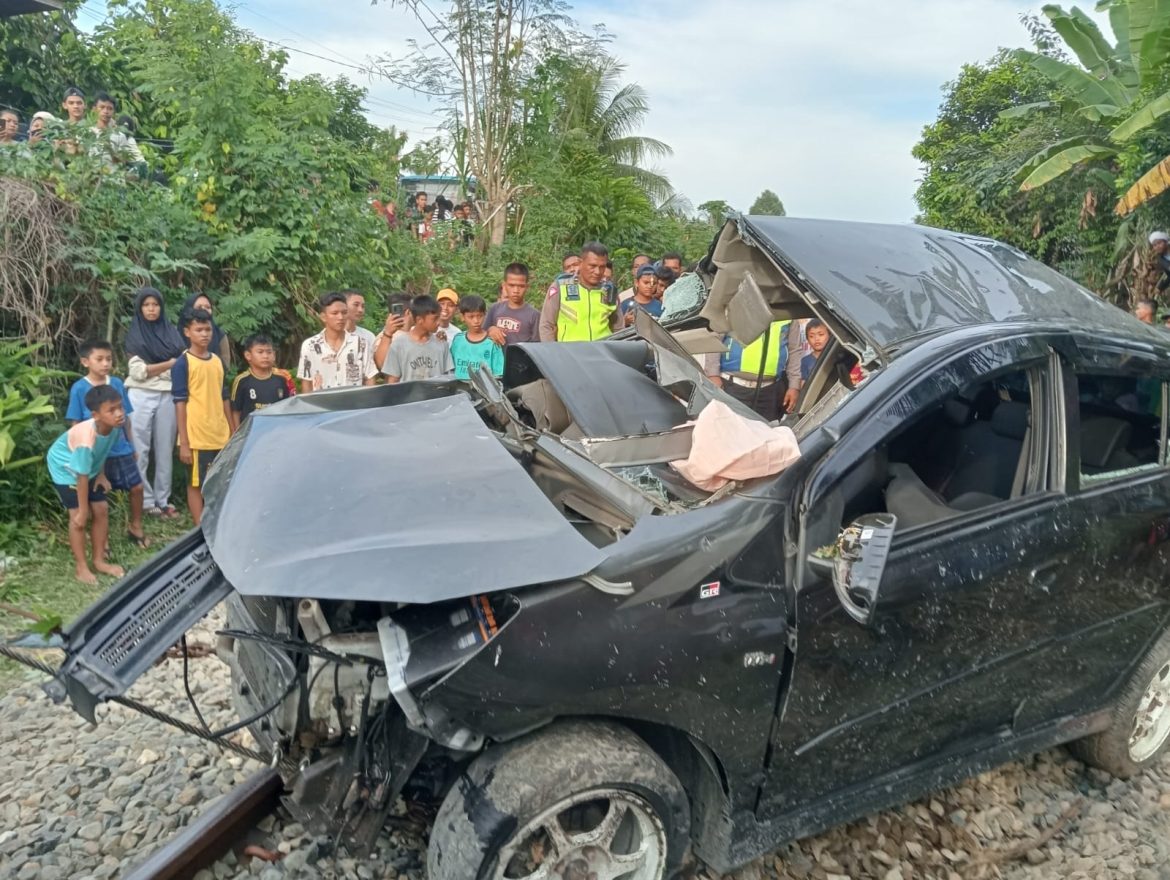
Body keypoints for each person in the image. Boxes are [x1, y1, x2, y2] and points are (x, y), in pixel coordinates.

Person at [65, 340, 148, 548]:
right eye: (99, 359)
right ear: (86, 362)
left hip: (120, 448)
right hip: (93, 451)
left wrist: (132, 445)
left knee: (137, 487)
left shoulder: (117, 383)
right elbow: (75, 422)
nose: (105, 364)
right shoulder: (79, 388)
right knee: (99, 497)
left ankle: (136, 525)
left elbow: (126, 417)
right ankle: (103, 540)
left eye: (108, 359)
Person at [46, 384, 127, 584]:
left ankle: (99, 561)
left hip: (87, 467)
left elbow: (101, 452)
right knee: (78, 517)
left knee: (101, 508)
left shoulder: (114, 428)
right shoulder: (85, 438)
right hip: (65, 467)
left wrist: (101, 475)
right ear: (96, 415)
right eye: (111, 410)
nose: (119, 414)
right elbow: (81, 476)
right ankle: (81, 567)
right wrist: (83, 510)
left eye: (120, 407)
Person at [124, 287, 186, 520]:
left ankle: (164, 500)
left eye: (155, 305)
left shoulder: (171, 332)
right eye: (147, 305)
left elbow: (181, 364)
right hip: (140, 394)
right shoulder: (134, 334)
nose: (151, 309)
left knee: (165, 448)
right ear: (140, 308)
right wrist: (168, 364)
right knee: (140, 449)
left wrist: (157, 369)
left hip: (168, 395)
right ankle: (145, 500)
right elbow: (138, 372)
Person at [173, 308, 232, 525]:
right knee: (196, 483)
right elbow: (179, 403)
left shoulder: (216, 360)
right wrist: (185, 442)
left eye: (207, 329)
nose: (204, 334)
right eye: (199, 330)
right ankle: (200, 526)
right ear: (187, 332)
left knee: (219, 481)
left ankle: (217, 521)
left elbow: (224, 396)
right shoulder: (183, 363)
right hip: (197, 435)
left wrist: (232, 430)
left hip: (220, 433)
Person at [719, 319, 806, 420]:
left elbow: (794, 350)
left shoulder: (789, 313)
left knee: (764, 432)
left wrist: (794, 386)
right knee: (730, 431)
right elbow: (715, 337)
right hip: (732, 386)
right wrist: (713, 374)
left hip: (770, 391)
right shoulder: (733, 304)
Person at [539, 243, 622, 342]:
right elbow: (546, 325)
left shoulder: (609, 290)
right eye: (592, 266)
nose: (597, 271)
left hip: (602, 353)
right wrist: (551, 353)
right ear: (580, 263)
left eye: (602, 267)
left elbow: (618, 328)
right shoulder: (561, 287)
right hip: (570, 354)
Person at [299, 291, 378, 392]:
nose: (340, 317)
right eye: (335, 313)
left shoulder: (360, 343)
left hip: (354, 405)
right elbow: (306, 382)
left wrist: (368, 404)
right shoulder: (310, 345)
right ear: (323, 317)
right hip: (322, 404)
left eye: (344, 313)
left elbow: (370, 377)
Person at [230, 335, 296, 430]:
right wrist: (237, 435)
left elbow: (288, 407)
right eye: (260, 352)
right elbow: (236, 411)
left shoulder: (282, 378)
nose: (265, 356)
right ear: (248, 355)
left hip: (275, 430)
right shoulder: (242, 380)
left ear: (274, 355)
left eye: (269, 352)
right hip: (251, 431)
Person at [382, 295, 453, 383]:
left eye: (439, 317)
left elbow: (447, 378)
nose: (439, 322)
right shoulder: (398, 345)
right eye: (435, 319)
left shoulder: (442, 345)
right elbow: (393, 380)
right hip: (408, 396)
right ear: (419, 320)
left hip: (437, 396)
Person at [450, 295, 505, 380]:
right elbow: (451, 367)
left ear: (485, 315)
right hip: (459, 390)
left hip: (483, 391)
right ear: (462, 317)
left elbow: (498, 375)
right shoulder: (458, 340)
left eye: (479, 316)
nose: (476, 321)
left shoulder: (492, 343)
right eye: (471, 317)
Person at [486, 264, 541, 346]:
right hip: (497, 358)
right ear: (504, 285)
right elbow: (481, 333)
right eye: (511, 285)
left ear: (527, 287)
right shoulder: (495, 309)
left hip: (521, 358)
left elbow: (536, 347)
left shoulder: (534, 315)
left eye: (521, 286)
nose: (516, 290)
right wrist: (490, 330)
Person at [92, 91, 145, 166]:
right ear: (94, 109)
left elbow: (122, 162)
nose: (106, 111)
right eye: (102, 107)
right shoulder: (87, 133)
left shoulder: (120, 136)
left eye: (110, 109)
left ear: (113, 112)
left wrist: (110, 150)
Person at [180, 292, 232, 366]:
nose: (204, 310)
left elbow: (226, 363)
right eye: (199, 307)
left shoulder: (219, 334)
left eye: (208, 307)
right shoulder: (175, 335)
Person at [374, 292, 413, 372]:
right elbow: (382, 365)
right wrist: (388, 334)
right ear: (408, 312)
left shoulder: (415, 333)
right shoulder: (385, 337)